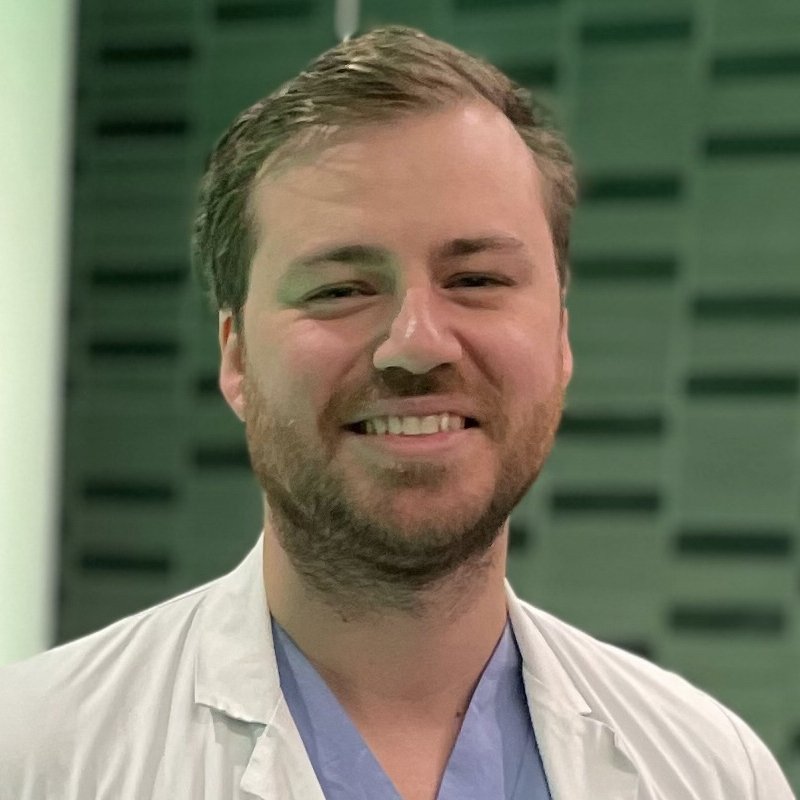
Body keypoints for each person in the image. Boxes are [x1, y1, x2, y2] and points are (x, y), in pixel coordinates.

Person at [0, 24, 794, 800]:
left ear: (560, 338)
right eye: (340, 289)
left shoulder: (709, 772)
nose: (416, 344)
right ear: (236, 357)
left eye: (477, 279)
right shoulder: (34, 755)